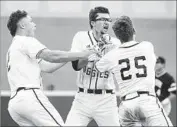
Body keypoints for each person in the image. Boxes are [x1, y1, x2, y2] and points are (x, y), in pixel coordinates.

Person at [6, 10, 96, 126]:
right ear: (22, 25)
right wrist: (83, 54)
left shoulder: (13, 47)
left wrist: (73, 54)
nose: (34, 24)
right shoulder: (25, 40)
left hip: (15, 104)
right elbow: (51, 56)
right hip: (30, 97)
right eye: (31, 21)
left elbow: (48, 67)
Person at [95, 16, 173, 126]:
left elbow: (99, 66)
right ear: (134, 30)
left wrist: (103, 48)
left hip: (127, 105)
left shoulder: (112, 55)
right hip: (147, 101)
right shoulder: (147, 46)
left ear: (117, 36)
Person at [65, 6, 121, 126]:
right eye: (103, 19)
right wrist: (92, 54)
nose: (107, 23)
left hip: (107, 99)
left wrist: (109, 57)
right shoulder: (80, 37)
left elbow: (118, 70)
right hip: (83, 98)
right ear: (93, 23)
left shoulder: (116, 43)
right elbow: (76, 66)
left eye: (108, 20)